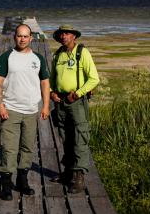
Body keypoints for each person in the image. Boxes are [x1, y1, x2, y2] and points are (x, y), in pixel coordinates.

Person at [0, 24, 50, 200]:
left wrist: (46, 106)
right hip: (10, 110)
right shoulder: (6, 57)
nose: (22, 39)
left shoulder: (38, 58)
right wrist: (0, 105)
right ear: (14, 37)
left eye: (26, 36)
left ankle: (22, 180)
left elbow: (45, 83)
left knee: (27, 147)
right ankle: (6, 183)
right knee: (9, 148)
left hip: (31, 111)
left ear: (31, 38)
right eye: (19, 36)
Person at [49, 24, 100, 194]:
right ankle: (68, 173)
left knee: (80, 137)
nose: (64, 36)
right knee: (65, 137)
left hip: (76, 102)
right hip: (60, 102)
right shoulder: (58, 54)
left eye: (67, 34)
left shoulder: (82, 52)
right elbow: (51, 78)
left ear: (74, 37)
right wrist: (51, 92)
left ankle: (79, 178)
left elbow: (94, 79)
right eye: (61, 34)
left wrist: (78, 94)